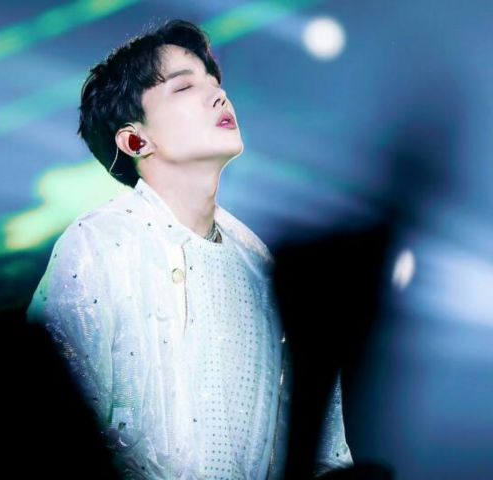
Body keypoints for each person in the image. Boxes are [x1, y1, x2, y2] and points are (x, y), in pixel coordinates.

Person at [27, 19, 352, 479]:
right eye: (184, 87)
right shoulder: (99, 246)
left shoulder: (263, 268)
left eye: (215, 83)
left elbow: (324, 451)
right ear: (135, 139)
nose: (218, 95)